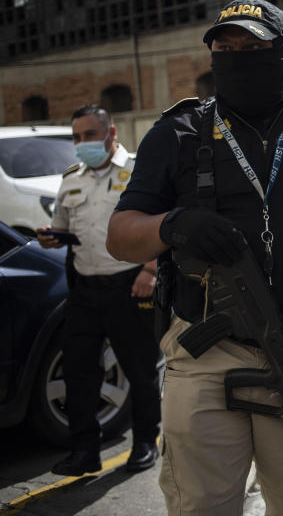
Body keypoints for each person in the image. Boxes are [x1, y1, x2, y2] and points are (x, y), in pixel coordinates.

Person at [105, 0, 283, 515]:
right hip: (207, 352)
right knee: (202, 505)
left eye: (252, 47)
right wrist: (173, 224)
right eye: (225, 48)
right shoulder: (178, 132)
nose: (236, 57)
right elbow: (120, 236)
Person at [37, 104, 161, 476]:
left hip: (130, 284)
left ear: (111, 134)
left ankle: (144, 443)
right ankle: (85, 452)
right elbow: (63, 229)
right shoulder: (71, 178)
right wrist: (50, 239)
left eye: (89, 135)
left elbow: (159, 224)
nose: (81, 144)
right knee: (78, 372)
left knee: (139, 370)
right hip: (84, 288)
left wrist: (150, 270)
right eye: (76, 137)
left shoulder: (139, 171)